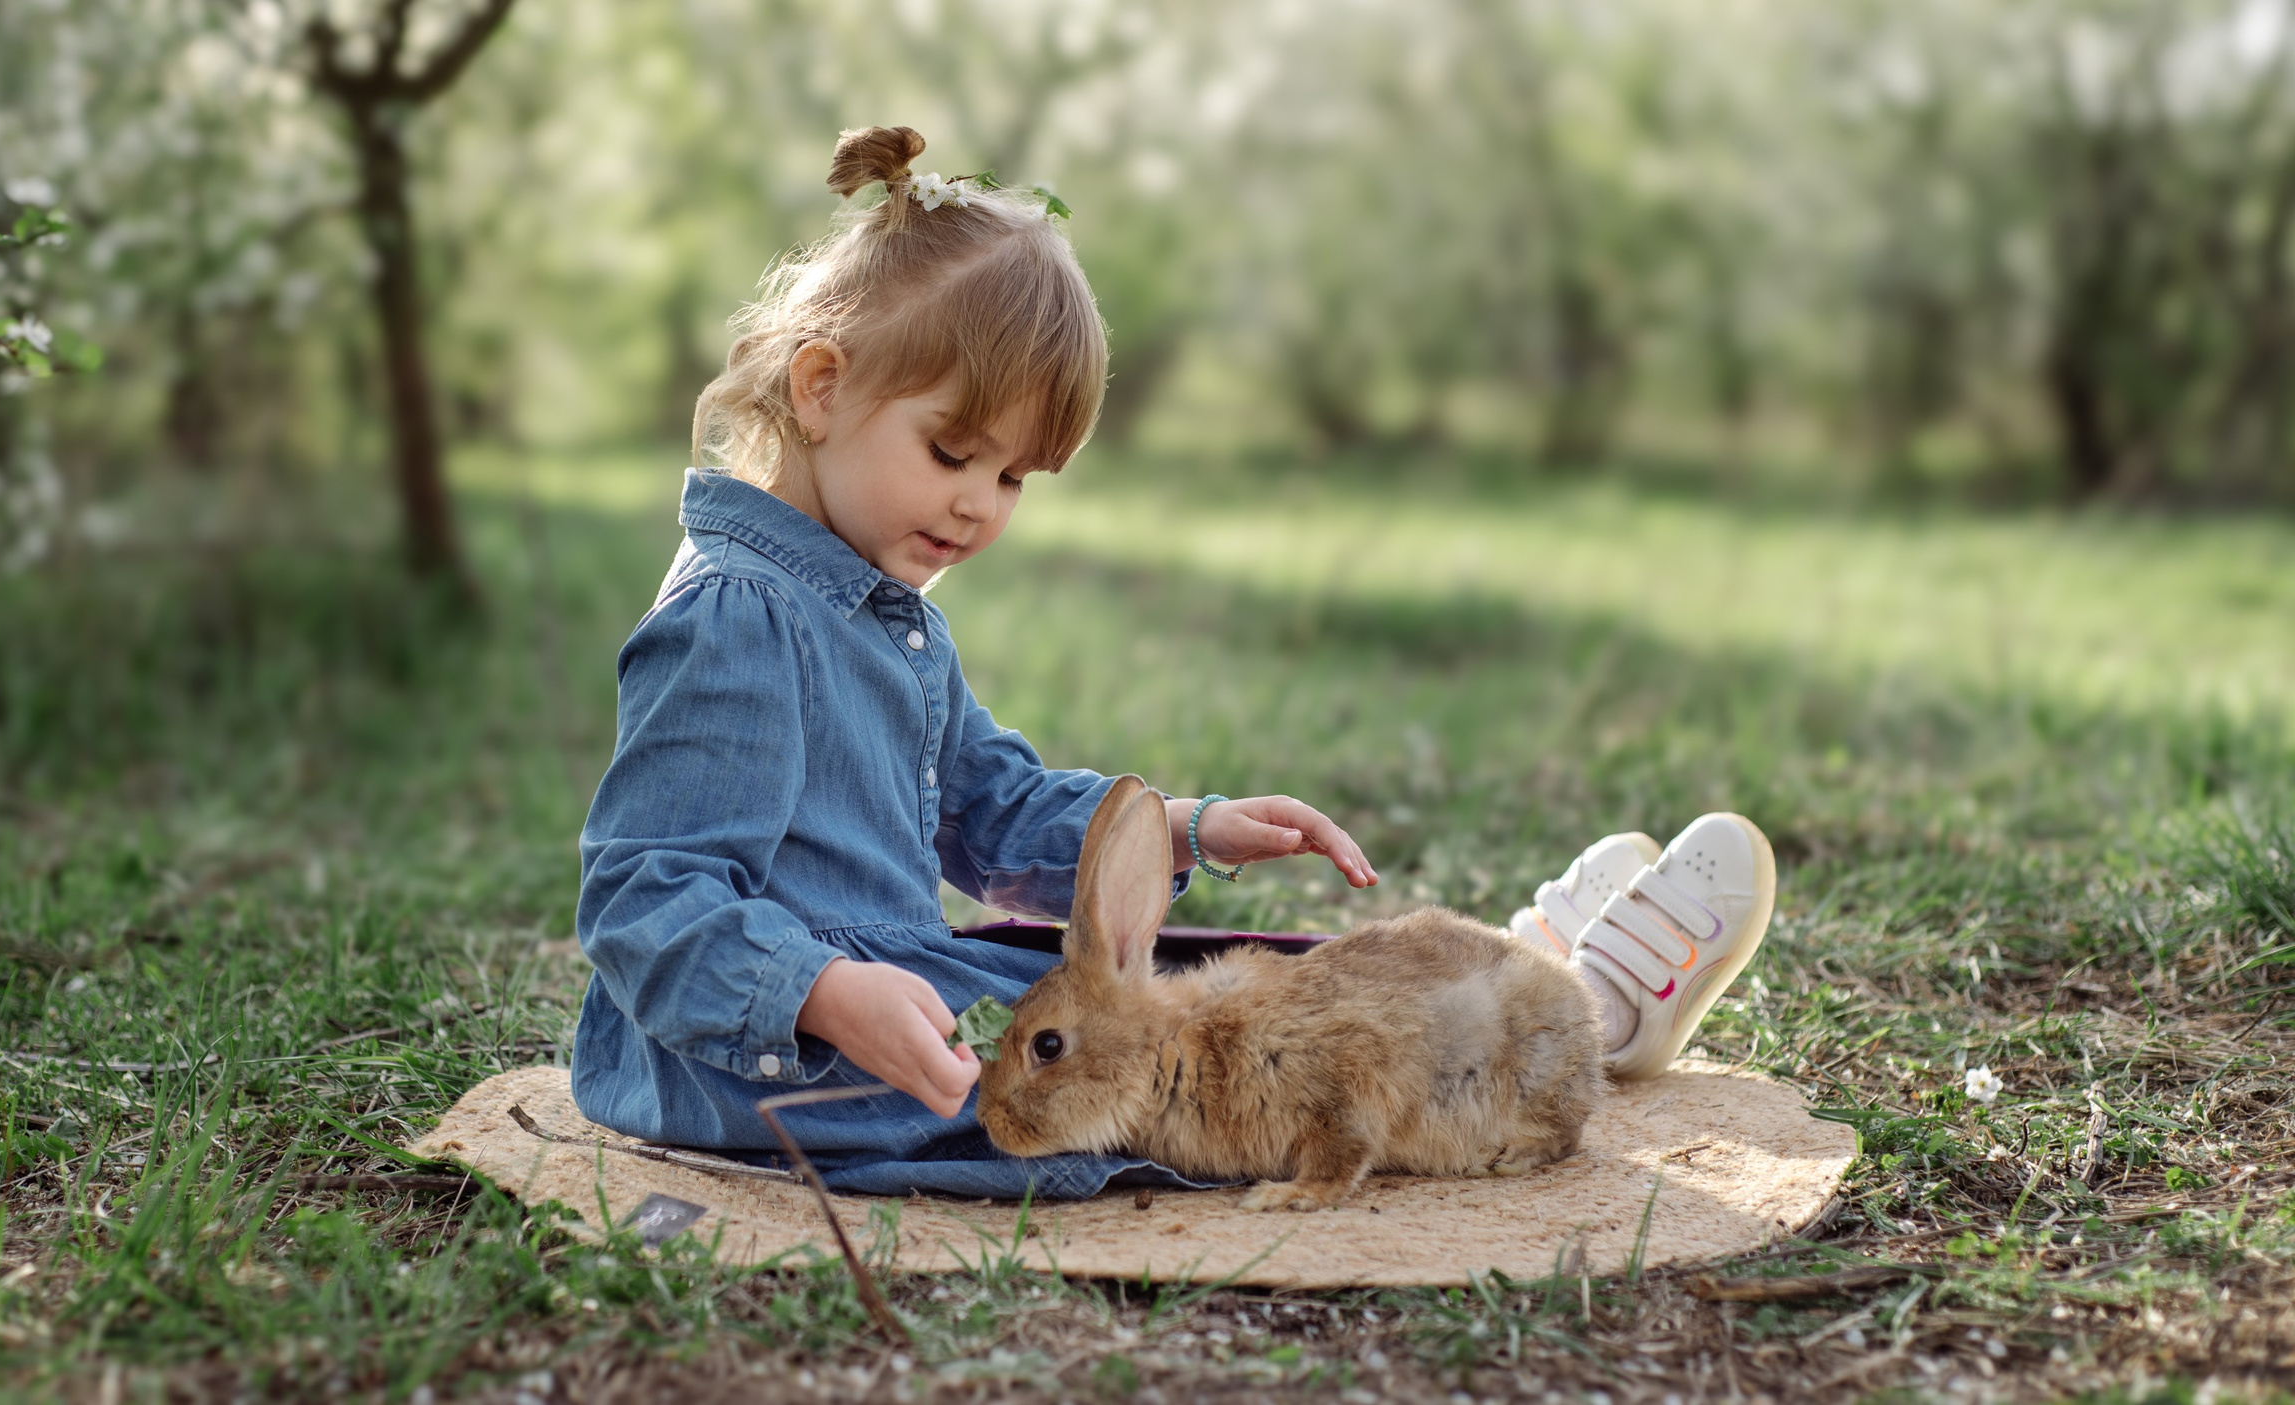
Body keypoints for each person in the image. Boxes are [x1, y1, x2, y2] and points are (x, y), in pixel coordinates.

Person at [570, 125, 1774, 1196]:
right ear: (821, 388)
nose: (980, 505)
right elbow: (644, 896)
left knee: (1214, 997)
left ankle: (1522, 990)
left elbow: (986, 808)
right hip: (771, 1064)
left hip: (892, 995)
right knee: (1158, 1074)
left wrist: (1190, 828)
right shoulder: (735, 617)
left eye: (1012, 478)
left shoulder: (885, 610)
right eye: (953, 451)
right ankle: (1588, 1020)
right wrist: (821, 993)